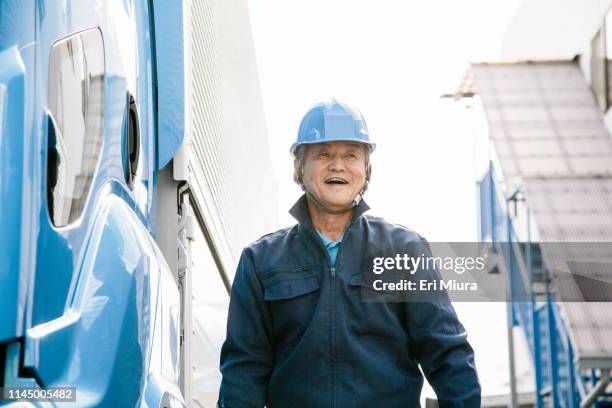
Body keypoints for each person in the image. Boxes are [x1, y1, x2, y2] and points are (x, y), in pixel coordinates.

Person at [218, 99, 480, 407]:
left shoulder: (405, 251)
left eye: (351, 155)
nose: (337, 165)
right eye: (323, 154)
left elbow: (447, 355)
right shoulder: (260, 261)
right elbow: (243, 372)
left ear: (366, 169)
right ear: (299, 167)